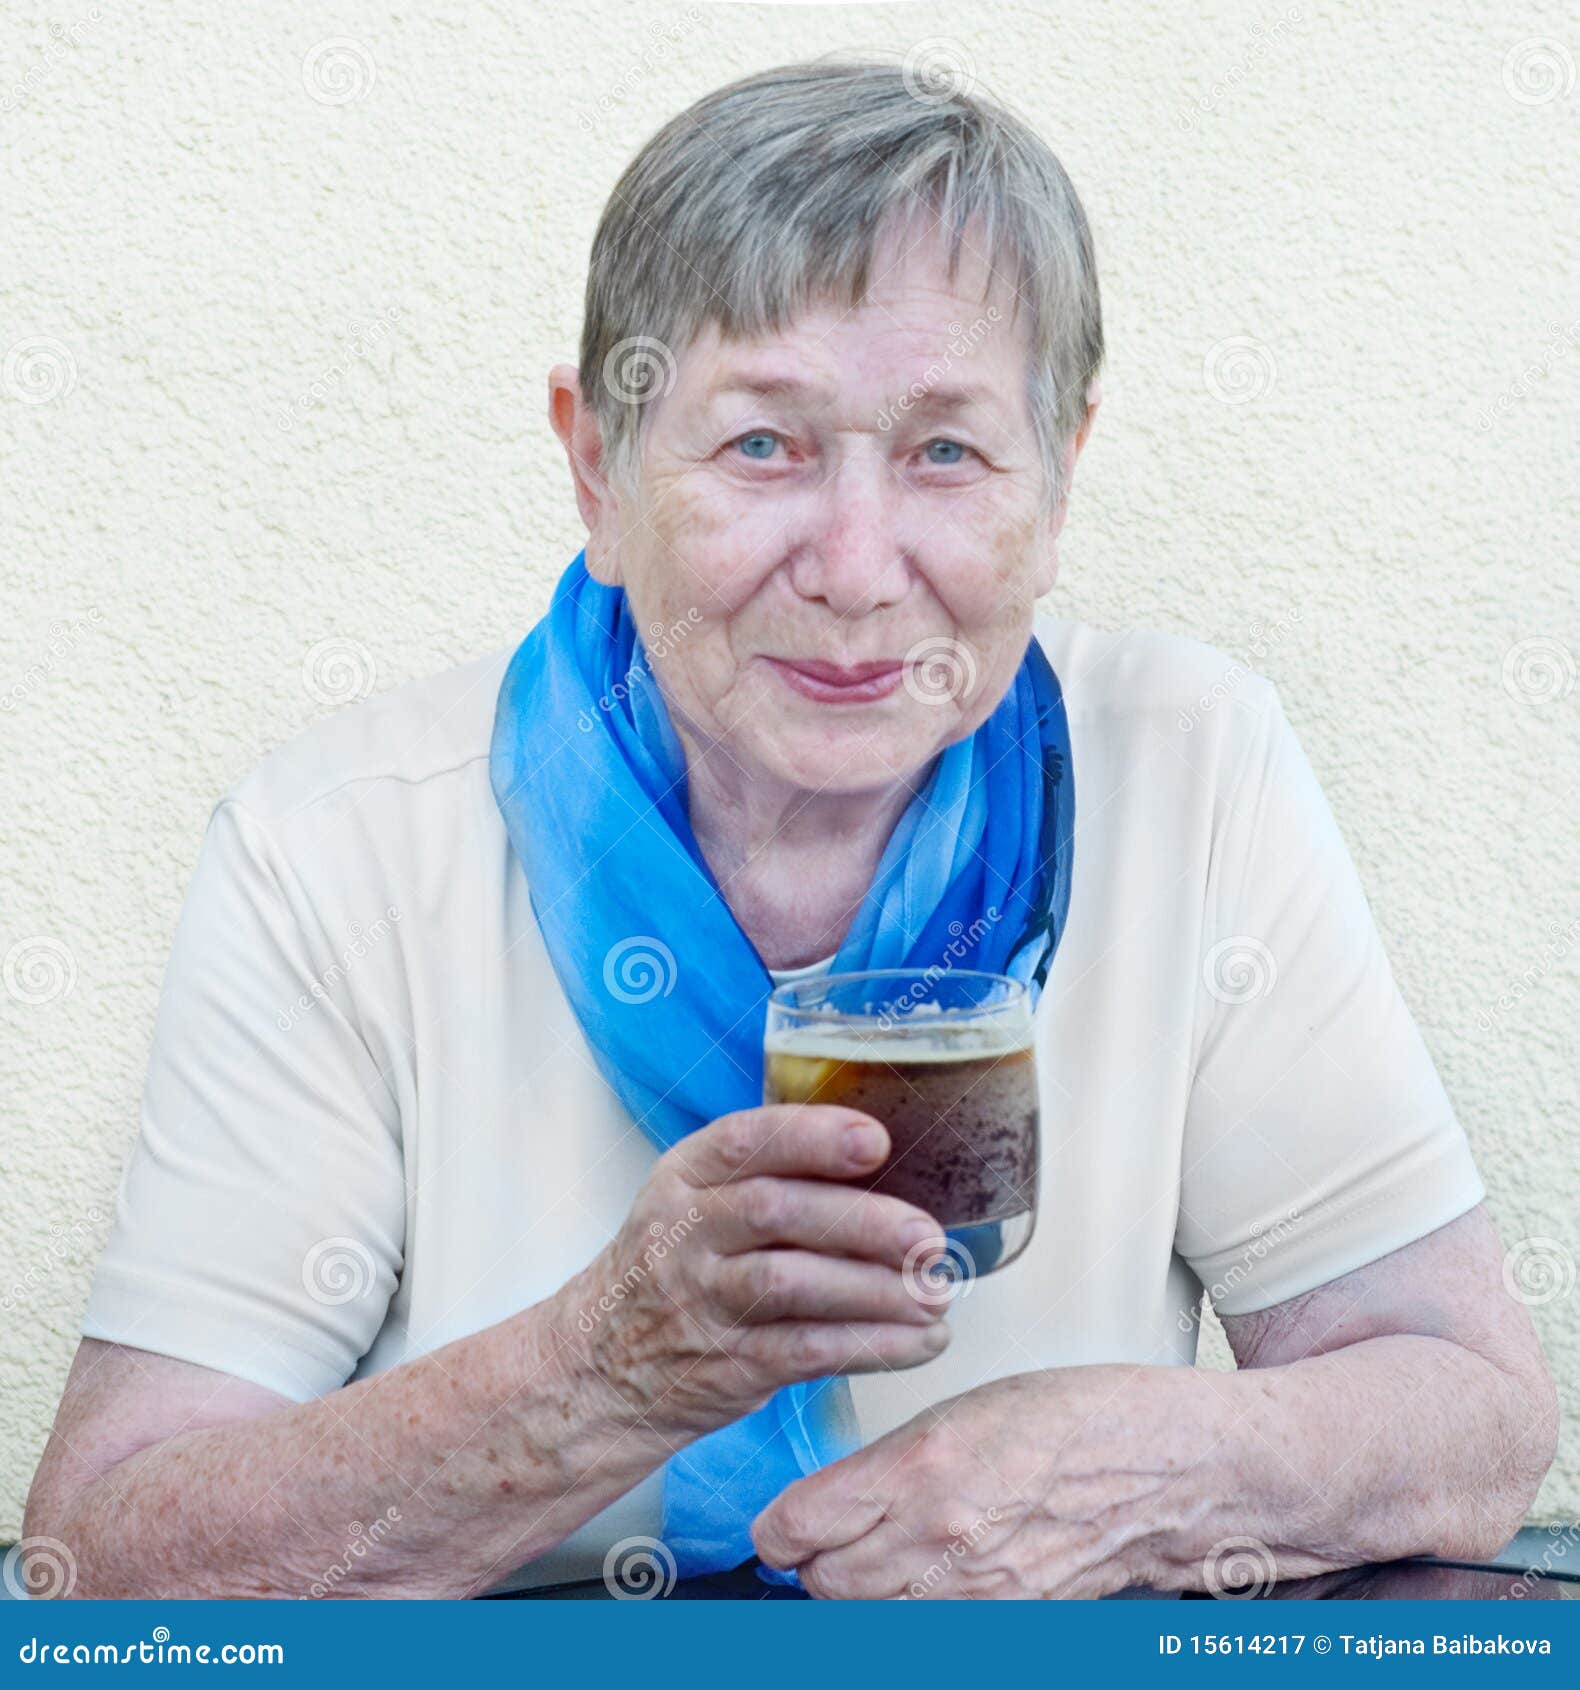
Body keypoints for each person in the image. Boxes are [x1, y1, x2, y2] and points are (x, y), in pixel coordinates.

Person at [24, 57, 1556, 1600]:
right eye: (764, 443)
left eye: (947, 451)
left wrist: (1125, 1469)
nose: (855, 564)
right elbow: (103, 1556)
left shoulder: (1191, 770)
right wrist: (600, 1369)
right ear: (597, 468)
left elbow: (1469, 1418)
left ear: (1061, 475)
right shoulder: (336, 844)